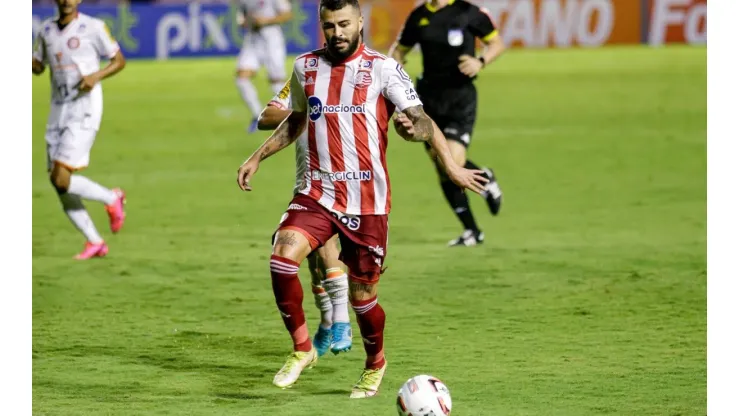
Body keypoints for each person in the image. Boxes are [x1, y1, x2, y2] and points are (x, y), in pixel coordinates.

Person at [236, 0, 488, 398]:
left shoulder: (384, 68)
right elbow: (295, 121)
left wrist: (442, 157)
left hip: (367, 201)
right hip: (317, 191)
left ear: (359, 22)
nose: (337, 33)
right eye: (329, 25)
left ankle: (375, 364)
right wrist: (257, 156)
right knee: (282, 258)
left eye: (344, 24)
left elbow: (422, 119)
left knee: (363, 297)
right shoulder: (305, 67)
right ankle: (302, 349)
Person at [390, 0, 507, 247]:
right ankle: (472, 231)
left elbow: (496, 43)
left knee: (452, 160)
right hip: (427, 99)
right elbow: (400, 51)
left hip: (460, 97)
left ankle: (485, 179)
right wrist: (392, 77)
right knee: (441, 164)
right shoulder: (419, 16)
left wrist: (480, 62)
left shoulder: (469, 12)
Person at [257, 81, 354, 357]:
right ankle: (327, 319)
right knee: (312, 260)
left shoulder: (361, 77)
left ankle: (340, 320)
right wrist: (309, 111)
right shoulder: (303, 78)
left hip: (344, 178)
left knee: (327, 247)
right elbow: (266, 117)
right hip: (307, 179)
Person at [32, 0, 127, 260]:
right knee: (59, 184)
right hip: (58, 111)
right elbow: (38, 67)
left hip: (84, 109)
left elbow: (119, 61)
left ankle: (111, 198)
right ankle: (95, 242)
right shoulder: (46, 30)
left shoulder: (93, 27)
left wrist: (96, 76)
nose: (66, 1)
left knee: (60, 177)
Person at [233, 0, 293, 133]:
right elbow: (241, 17)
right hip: (253, 40)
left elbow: (287, 14)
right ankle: (257, 116)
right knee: (241, 77)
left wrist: (266, 21)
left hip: (272, 40)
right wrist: (246, 22)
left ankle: (289, 117)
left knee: (276, 82)